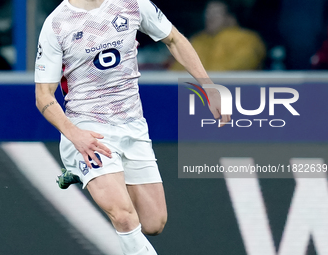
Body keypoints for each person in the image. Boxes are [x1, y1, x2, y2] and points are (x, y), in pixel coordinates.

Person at [35, 0, 230, 254]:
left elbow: (174, 40)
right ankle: (81, 164)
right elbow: (43, 95)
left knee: (153, 223)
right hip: (89, 129)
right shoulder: (56, 24)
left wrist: (208, 86)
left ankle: (82, 172)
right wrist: (75, 135)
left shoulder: (133, 3)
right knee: (124, 217)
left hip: (133, 125)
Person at [170, 1, 266, 71]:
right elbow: (176, 70)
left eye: (216, 14)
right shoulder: (197, 40)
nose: (209, 17)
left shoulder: (247, 39)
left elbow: (239, 67)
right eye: (207, 13)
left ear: (230, 18)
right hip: (194, 91)